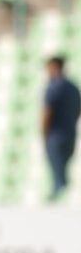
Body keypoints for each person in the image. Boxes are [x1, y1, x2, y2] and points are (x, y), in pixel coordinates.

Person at [42, 55, 81, 200]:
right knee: (63, 166)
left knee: (57, 169)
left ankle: (59, 194)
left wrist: (43, 131)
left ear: (54, 67)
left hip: (55, 134)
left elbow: (47, 111)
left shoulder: (53, 86)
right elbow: (78, 110)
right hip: (70, 133)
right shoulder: (73, 87)